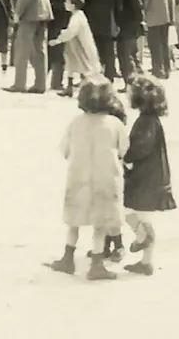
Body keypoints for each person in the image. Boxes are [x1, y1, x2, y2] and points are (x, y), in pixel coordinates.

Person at [46, 80, 129, 281]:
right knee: (100, 224)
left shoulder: (75, 123)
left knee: (74, 221)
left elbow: (64, 150)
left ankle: (68, 257)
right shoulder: (115, 124)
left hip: (78, 177)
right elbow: (124, 149)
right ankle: (97, 264)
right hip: (106, 178)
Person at [120, 76, 176, 276]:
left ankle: (142, 237)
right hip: (155, 177)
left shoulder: (145, 122)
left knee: (127, 210)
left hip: (145, 178)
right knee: (146, 219)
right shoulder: (152, 120)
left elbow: (140, 148)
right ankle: (146, 261)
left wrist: (125, 155)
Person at [48, 0, 101, 96]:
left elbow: (71, 31)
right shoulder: (76, 15)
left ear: (73, 5)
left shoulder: (77, 17)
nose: (64, 4)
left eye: (67, 2)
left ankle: (89, 91)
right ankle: (70, 88)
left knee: (85, 67)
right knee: (72, 65)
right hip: (75, 45)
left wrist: (58, 40)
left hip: (81, 46)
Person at [80, 0, 122, 81]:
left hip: (91, 21)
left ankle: (91, 77)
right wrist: (118, 22)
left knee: (91, 50)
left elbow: (83, 1)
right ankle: (109, 76)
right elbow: (118, 4)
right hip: (109, 21)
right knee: (109, 50)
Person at [47, 0, 82, 91]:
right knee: (62, 45)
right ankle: (57, 82)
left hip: (51, 9)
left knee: (51, 43)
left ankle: (44, 77)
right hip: (64, 10)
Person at [110, 0, 147, 84]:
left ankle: (131, 83)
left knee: (124, 53)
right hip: (134, 18)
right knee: (131, 52)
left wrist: (138, 17)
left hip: (128, 19)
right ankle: (140, 80)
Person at [141, 0, 178, 78]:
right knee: (164, 43)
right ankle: (167, 68)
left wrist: (144, 11)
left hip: (153, 14)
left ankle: (158, 69)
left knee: (153, 44)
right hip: (167, 15)